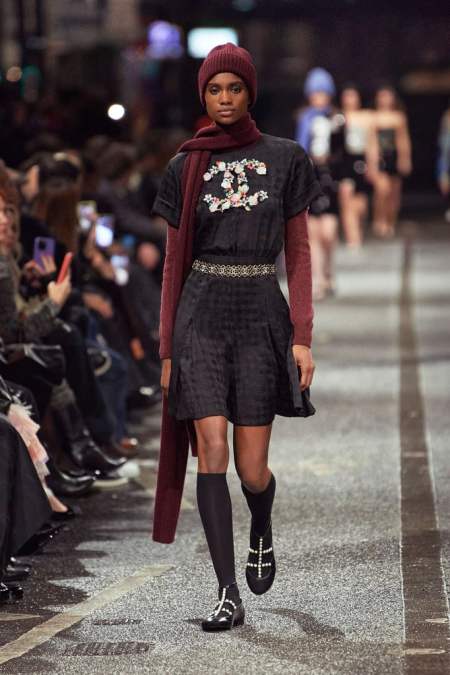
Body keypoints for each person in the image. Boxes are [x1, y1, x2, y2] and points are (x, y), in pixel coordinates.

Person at [151, 43, 321, 632]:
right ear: (203, 95)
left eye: (234, 88)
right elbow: (172, 263)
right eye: (214, 89)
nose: (224, 99)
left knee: (252, 470)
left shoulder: (286, 157)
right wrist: (167, 348)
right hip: (200, 313)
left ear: (251, 93)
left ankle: (261, 525)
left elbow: (299, 253)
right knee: (212, 451)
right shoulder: (185, 164)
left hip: (258, 314)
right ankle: (227, 591)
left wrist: (302, 334)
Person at [295, 67, 340, 299]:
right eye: (314, 92)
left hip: (331, 180)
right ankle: (319, 279)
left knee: (329, 234)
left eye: (322, 92)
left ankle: (329, 271)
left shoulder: (337, 119)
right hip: (311, 179)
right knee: (313, 234)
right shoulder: (304, 119)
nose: (318, 97)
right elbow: (299, 149)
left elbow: (344, 151)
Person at [335, 85, 377, 248]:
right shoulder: (337, 117)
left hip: (361, 160)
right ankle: (352, 238)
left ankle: (359, 231)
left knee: (361, 203)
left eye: (352, 96)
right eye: (346, 96)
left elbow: (372, 144)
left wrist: (373, 166)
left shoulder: (366, 117)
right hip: (344, 160)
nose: (349, 100)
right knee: (345, 196)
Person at [370, 84, 412, 238]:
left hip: (394, 156)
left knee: (394, 193)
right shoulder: (374, 117)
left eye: (388, 96)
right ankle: (379, 219)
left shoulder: (399, 117)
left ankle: (391, 221)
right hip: (380, 156)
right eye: (382, 96)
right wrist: (372, 161)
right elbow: (371, 141)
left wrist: (405, 158)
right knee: (382, 190)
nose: (385, 99)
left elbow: (403, 140)